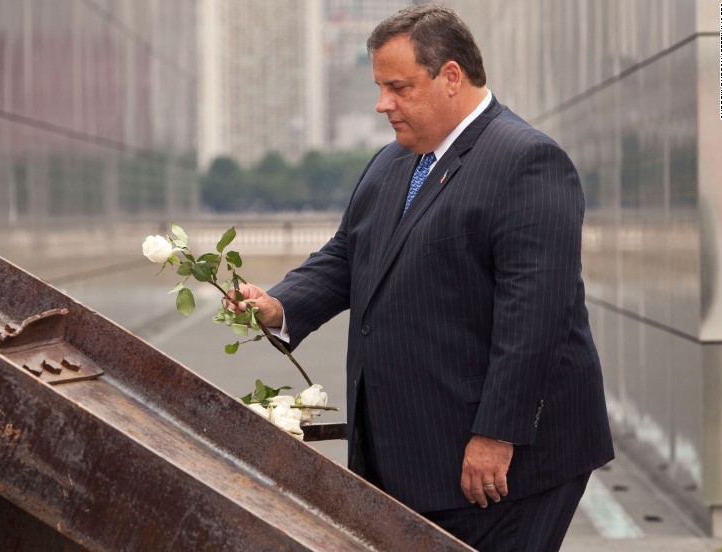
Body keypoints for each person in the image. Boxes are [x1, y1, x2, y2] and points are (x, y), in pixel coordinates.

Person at [230, 4, 614, 550]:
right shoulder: (392, 162)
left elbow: (535, 317)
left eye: (398, 87)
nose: (382, 103)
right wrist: (279, 306)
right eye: (381, 87)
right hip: (415, 457)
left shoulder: (528, 162)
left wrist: (496, 435)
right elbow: (348, 254)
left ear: (450, 76)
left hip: (504, 469)